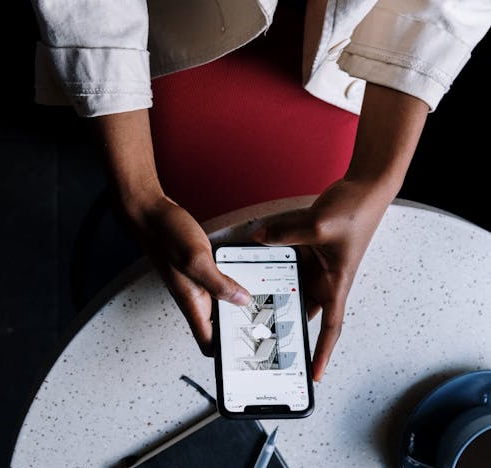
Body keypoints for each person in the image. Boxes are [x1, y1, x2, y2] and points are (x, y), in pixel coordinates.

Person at [31, 1, 490, 381]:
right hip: (182, 24)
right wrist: (139, 193)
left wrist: (378, 175)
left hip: (353, 40)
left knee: (286, 235)